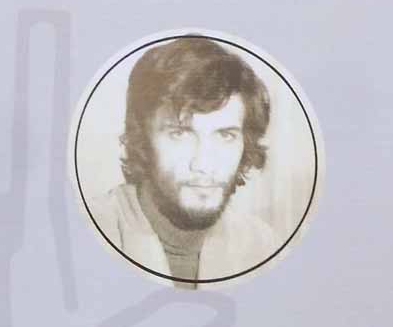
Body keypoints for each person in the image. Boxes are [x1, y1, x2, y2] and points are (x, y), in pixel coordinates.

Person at [90, 37, 275, 286]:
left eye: (225, 135)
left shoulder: (261, 245)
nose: (204, 164)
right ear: (142, 139)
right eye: (180, 134)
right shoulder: (92, 230)